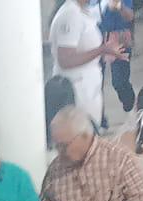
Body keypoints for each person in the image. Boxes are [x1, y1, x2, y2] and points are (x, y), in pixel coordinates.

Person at [51, 0, 120, 128]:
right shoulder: (71, 15)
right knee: (84, 132)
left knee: (92, 129)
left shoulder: (81, 11)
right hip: (77, 86)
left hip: (88, 83)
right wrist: (102, 50)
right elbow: (65, 59)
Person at [101, 0, 139, 116]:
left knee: (119, 80)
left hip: (119, 38)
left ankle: (130, 104)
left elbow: (130, 16)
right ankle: (100, 118)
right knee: (96, 83)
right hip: (96, 37)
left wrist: (119, 6)